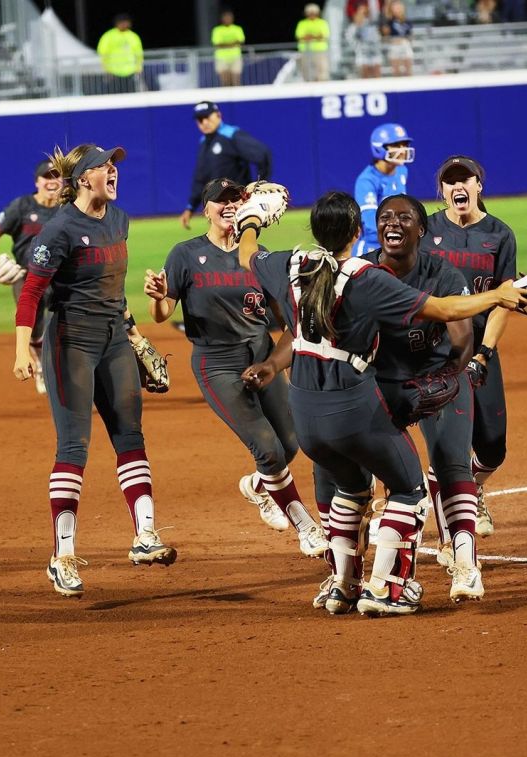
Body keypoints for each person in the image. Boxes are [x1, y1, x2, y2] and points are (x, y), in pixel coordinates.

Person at [235, 190, 527, 616]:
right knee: (410, 487)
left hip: (305, 408)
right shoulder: (366, 279)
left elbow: (249, 254)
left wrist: (249, 220)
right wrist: (497, 296)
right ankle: (388, 591)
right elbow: (446, 309)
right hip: (354, 406)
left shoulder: (288, 263)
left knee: (351, 488)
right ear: (360, 232)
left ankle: (343, 587)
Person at [13, 144, 177, 597]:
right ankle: (62, 556)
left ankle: (145, 536)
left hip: (114, 341)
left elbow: (113, 292)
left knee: (130, 435)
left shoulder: (119, 220)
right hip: (71, 344)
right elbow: (30, 294)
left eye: (114, 166)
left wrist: (136, 335)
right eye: (105, 167)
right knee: (74, 446)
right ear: (84, 178)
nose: (113, 172)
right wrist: (22, 350)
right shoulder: (60, 229)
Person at [143, 178, 327, 558]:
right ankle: (306, 527)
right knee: (268, 449)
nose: (227, 207)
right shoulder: (186, 254)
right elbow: (162, 315)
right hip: (217, 363)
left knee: (292, 443)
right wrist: (160, 298)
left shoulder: (258, 256)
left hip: (261, 355)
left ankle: (259, 488)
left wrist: (281, 357)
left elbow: (285, 321)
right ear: (205, 209)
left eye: (235, 200)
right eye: (219, 202)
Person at [363, 194, 486, 602]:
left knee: (452, 465)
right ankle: (344, 572)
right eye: (385, 217)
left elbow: (463, 338)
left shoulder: (443, 274)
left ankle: (466, 563)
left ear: (421, 229)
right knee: (360, 474)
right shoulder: (361, 272)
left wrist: (449, 378)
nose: (392, 223)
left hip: (439, 377)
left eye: (404, 217)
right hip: (382, 384)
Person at [420, 156, 518, 554]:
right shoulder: (425, 229)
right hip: (434, 354)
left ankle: (471, 489)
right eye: (451, 181)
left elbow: (504, 299)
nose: (459, 187)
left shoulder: (499, 234)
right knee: (447, 446)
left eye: (467, 180)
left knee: (493, 445)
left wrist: (484, 353)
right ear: (442, 190)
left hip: (479, 350)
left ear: (480, 185)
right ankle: (451, 537)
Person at [0, 159, 62, 395]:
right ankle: (39, 364)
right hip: (26, 276)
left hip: (60, 277)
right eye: (47, 177)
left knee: (69, 324)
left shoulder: (67, 208)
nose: (52, 181)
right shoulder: (21, 206)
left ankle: (68, 375)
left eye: (56, 176)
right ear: (37, 182)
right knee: (34, 328)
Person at [180, 101, 272, 230]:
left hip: (237, 204)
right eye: (200, 120)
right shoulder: (204, 143)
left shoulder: (232, 135)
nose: (204, 122)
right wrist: (190, 207)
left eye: (207, 117)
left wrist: (259, 188)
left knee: (239, 243)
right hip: (217, 206)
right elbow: (200, 178)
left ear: (218, 115)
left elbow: (263, 155)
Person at [353, 122, 415, 256]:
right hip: (372, 248)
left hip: (396, 241)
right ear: (379, 148)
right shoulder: (367, 180)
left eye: (404, 144)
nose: (403, 150)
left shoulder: (401, 171)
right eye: (397, 145)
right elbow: (370, 224)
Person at [96, 13, 144, 94]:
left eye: (126, 22)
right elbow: (102, 53)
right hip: (113, 72)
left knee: (131, 94)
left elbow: (139, 54)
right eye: (122, 22)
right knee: (114, 95)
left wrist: (139, 68)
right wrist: (106, 69)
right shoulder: (108, 36)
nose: (124, 24)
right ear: (117, 23)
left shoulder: (133, 36)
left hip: (130, 71)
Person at [345, 2, 384, 78]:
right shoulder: (354, 26)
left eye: (364, 9)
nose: (363, 11)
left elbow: (378, 35)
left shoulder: (373, 21)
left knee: (377, 73)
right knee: (365, 73)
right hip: (363, 52)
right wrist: (358, 47)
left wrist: (377, 45)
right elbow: (349, 37)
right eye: (360, 10)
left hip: (374, 51)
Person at [295, 4, 330, 82]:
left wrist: (309, 36)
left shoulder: (322, 23)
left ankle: (322, 87)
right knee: (306, 71)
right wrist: (316, 36)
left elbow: (324, 36)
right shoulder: (302, 23)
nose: (312, 14)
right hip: (305, 51)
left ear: (317, 13)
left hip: (320, 51)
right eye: (310, 12)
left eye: (313, 12)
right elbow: (299, 36)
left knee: (321, 72)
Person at [211, 9, 246, 87]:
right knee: (225, 81)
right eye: (226, 17)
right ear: (222, 19)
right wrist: (233, 44)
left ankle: (237, 97)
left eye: (229, 17)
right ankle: (226, 97)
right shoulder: (217, 30)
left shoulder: (237, 28)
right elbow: (217, 44)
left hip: (235, 56)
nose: (227, 19)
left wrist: (225, 44)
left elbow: (240, 42)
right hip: (222, 57)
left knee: (236, 80)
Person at [380, 1, 413, 77]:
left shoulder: (407, 21)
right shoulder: (390, 21)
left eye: (399, 7)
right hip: (394, 46)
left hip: (405, 45)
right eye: (396, 7)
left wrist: (404, 40)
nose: (398, 9)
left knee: (408, 68)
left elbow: (410, 35)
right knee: (396, 71)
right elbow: (385, 34)